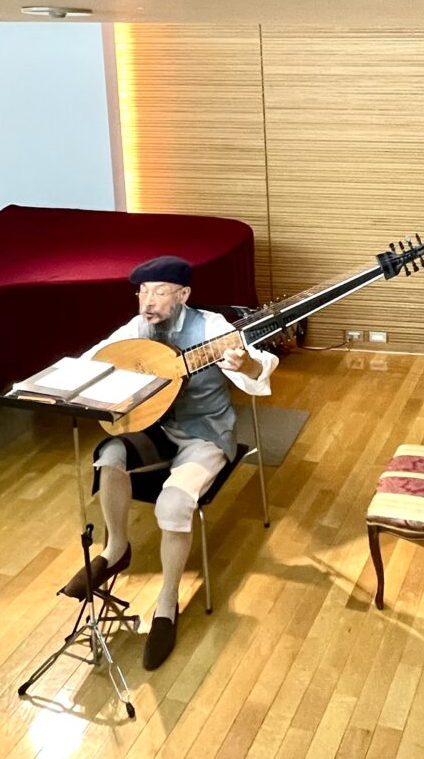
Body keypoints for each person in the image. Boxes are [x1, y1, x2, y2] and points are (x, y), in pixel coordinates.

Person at [61, 255, 277, 669]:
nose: (149, 301)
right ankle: (116, 548)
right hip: (157, 428)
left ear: (183, 295)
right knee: (109, 456)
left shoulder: (211, 328)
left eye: (160, 292)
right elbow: (93, 361)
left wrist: (247, 364)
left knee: (174, 503)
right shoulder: (138, 329)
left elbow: (258, 364)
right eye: (143, 292)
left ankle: (167, 600)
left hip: (205, 434)